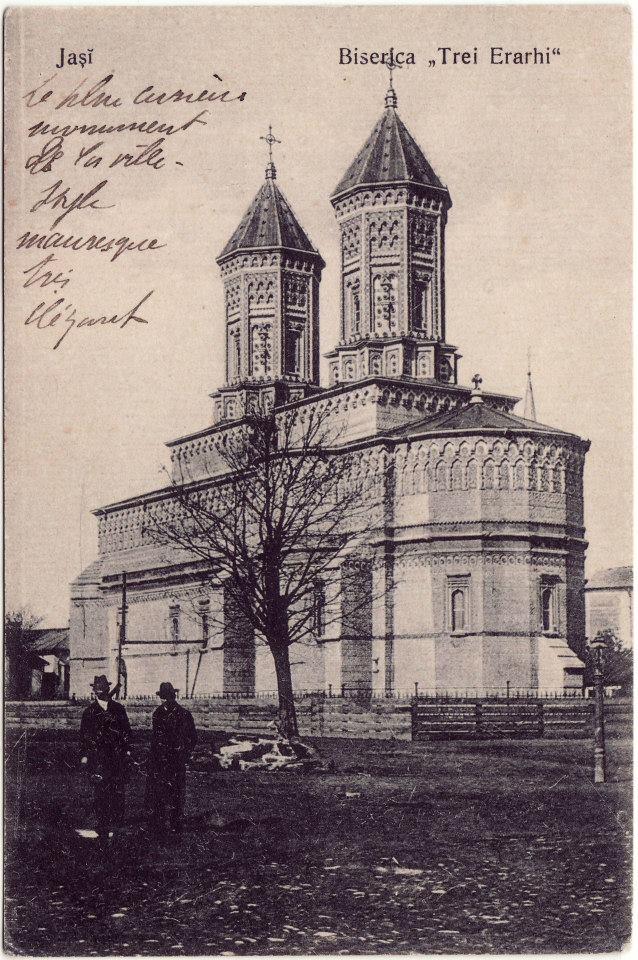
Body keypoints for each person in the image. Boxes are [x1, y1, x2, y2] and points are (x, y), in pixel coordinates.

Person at [79, 675, 132, 850]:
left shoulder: (118, 709)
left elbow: (127, 732)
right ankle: (102, 829)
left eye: (102, 689)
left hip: (117, 760)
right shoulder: (89, 712)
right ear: (94, 691)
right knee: (101, 795)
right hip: (98, 761)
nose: (99, 692)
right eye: (97, 690)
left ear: (108, 690)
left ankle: (116, 829)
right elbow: (84, 736)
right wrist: (85, 756)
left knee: (117, 794)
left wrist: (127, 750)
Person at [146, 682, 197, 837]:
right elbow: (156, 738)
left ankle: (176, 827)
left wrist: (185, 753)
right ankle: (159, 828)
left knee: (176, 795)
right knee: (159, 795)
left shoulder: (184, 714)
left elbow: (193, 737)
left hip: (176, 761)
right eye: (163, 697)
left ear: (173, 696)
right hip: (160, 761)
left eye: (167, 697)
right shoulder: (158, 713)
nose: (165, 700)